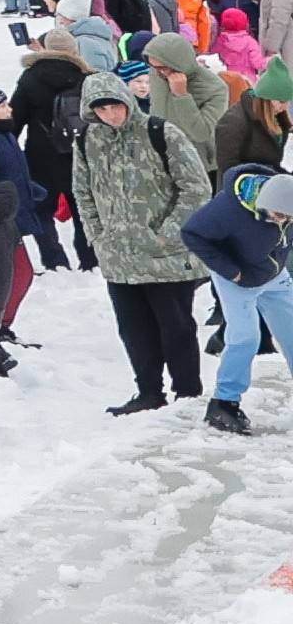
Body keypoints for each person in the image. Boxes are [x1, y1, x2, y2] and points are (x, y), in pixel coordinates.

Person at [68, 82, 215, 414]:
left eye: (115, 106)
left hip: (166, 257)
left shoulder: (160, 132)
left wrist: (168, 232)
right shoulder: (86, 140)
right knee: (134, 330)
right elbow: (82, 190)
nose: (110, 115)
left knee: (175, 326)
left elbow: (195, 186)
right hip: (118, 257)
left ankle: (188, 392)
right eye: (101, 110)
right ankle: (148, 390)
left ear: (127, 101)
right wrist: (97, 233)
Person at [185, 167, 287, 436]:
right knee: (245, 338)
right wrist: (232, 271)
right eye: (278, 216)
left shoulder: (286, 202)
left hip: (274, 276)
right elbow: (191, 234)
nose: (282, 221)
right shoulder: (227, 209)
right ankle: (224, 403)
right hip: (237, 281)